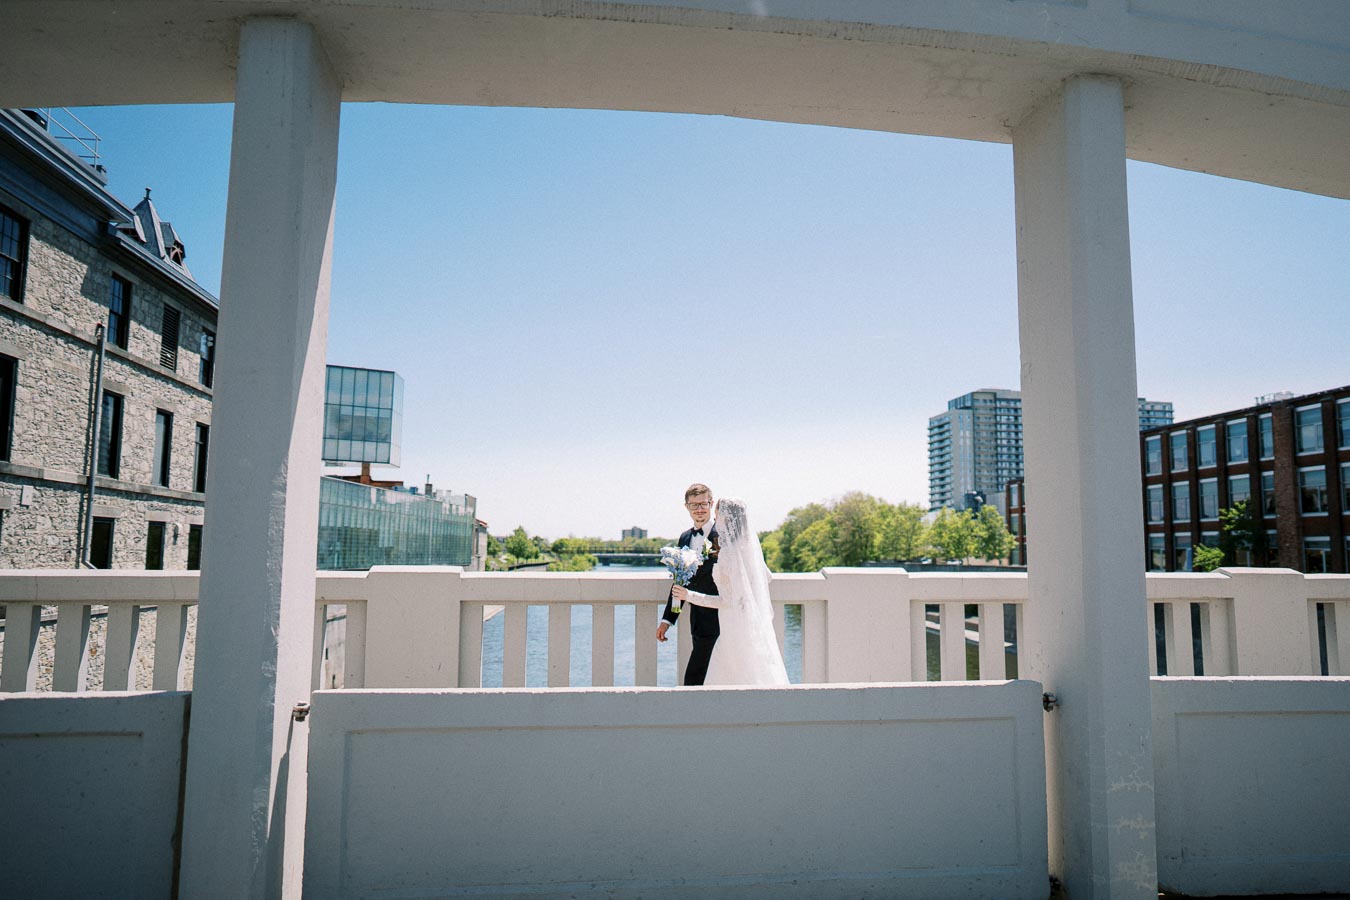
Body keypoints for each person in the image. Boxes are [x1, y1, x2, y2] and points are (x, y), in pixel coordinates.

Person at [671, 497, 789, 686]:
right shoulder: (748, 549)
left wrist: (688, 596)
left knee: (723, 681)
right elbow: (766, 577)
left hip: (731, 626)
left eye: (718, 516)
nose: (716, 521)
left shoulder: (727, 554)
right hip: (751, 622)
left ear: (726, 519)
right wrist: (746, 597)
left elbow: (725, 601)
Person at [657, 483, 720, 685]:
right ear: (687, 507)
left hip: (725, 618)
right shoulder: (685, 537)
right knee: (699, 679)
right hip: (699, 622)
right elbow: (680, 581)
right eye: (694, 505)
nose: (699, 509)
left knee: (697, 680)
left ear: (711, 504)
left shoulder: (723, 535)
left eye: (703, 504)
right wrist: (668, 620)